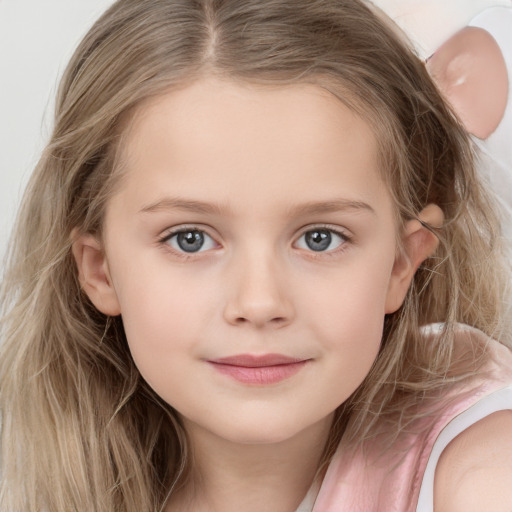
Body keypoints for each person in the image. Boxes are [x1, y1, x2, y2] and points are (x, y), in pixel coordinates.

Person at [1, 1, 511, 511]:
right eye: (190, 239)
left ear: (401, 263)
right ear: (100, 270)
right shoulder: (54, 485)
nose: (260, 302)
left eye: (320, 238)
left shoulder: (480, 466)